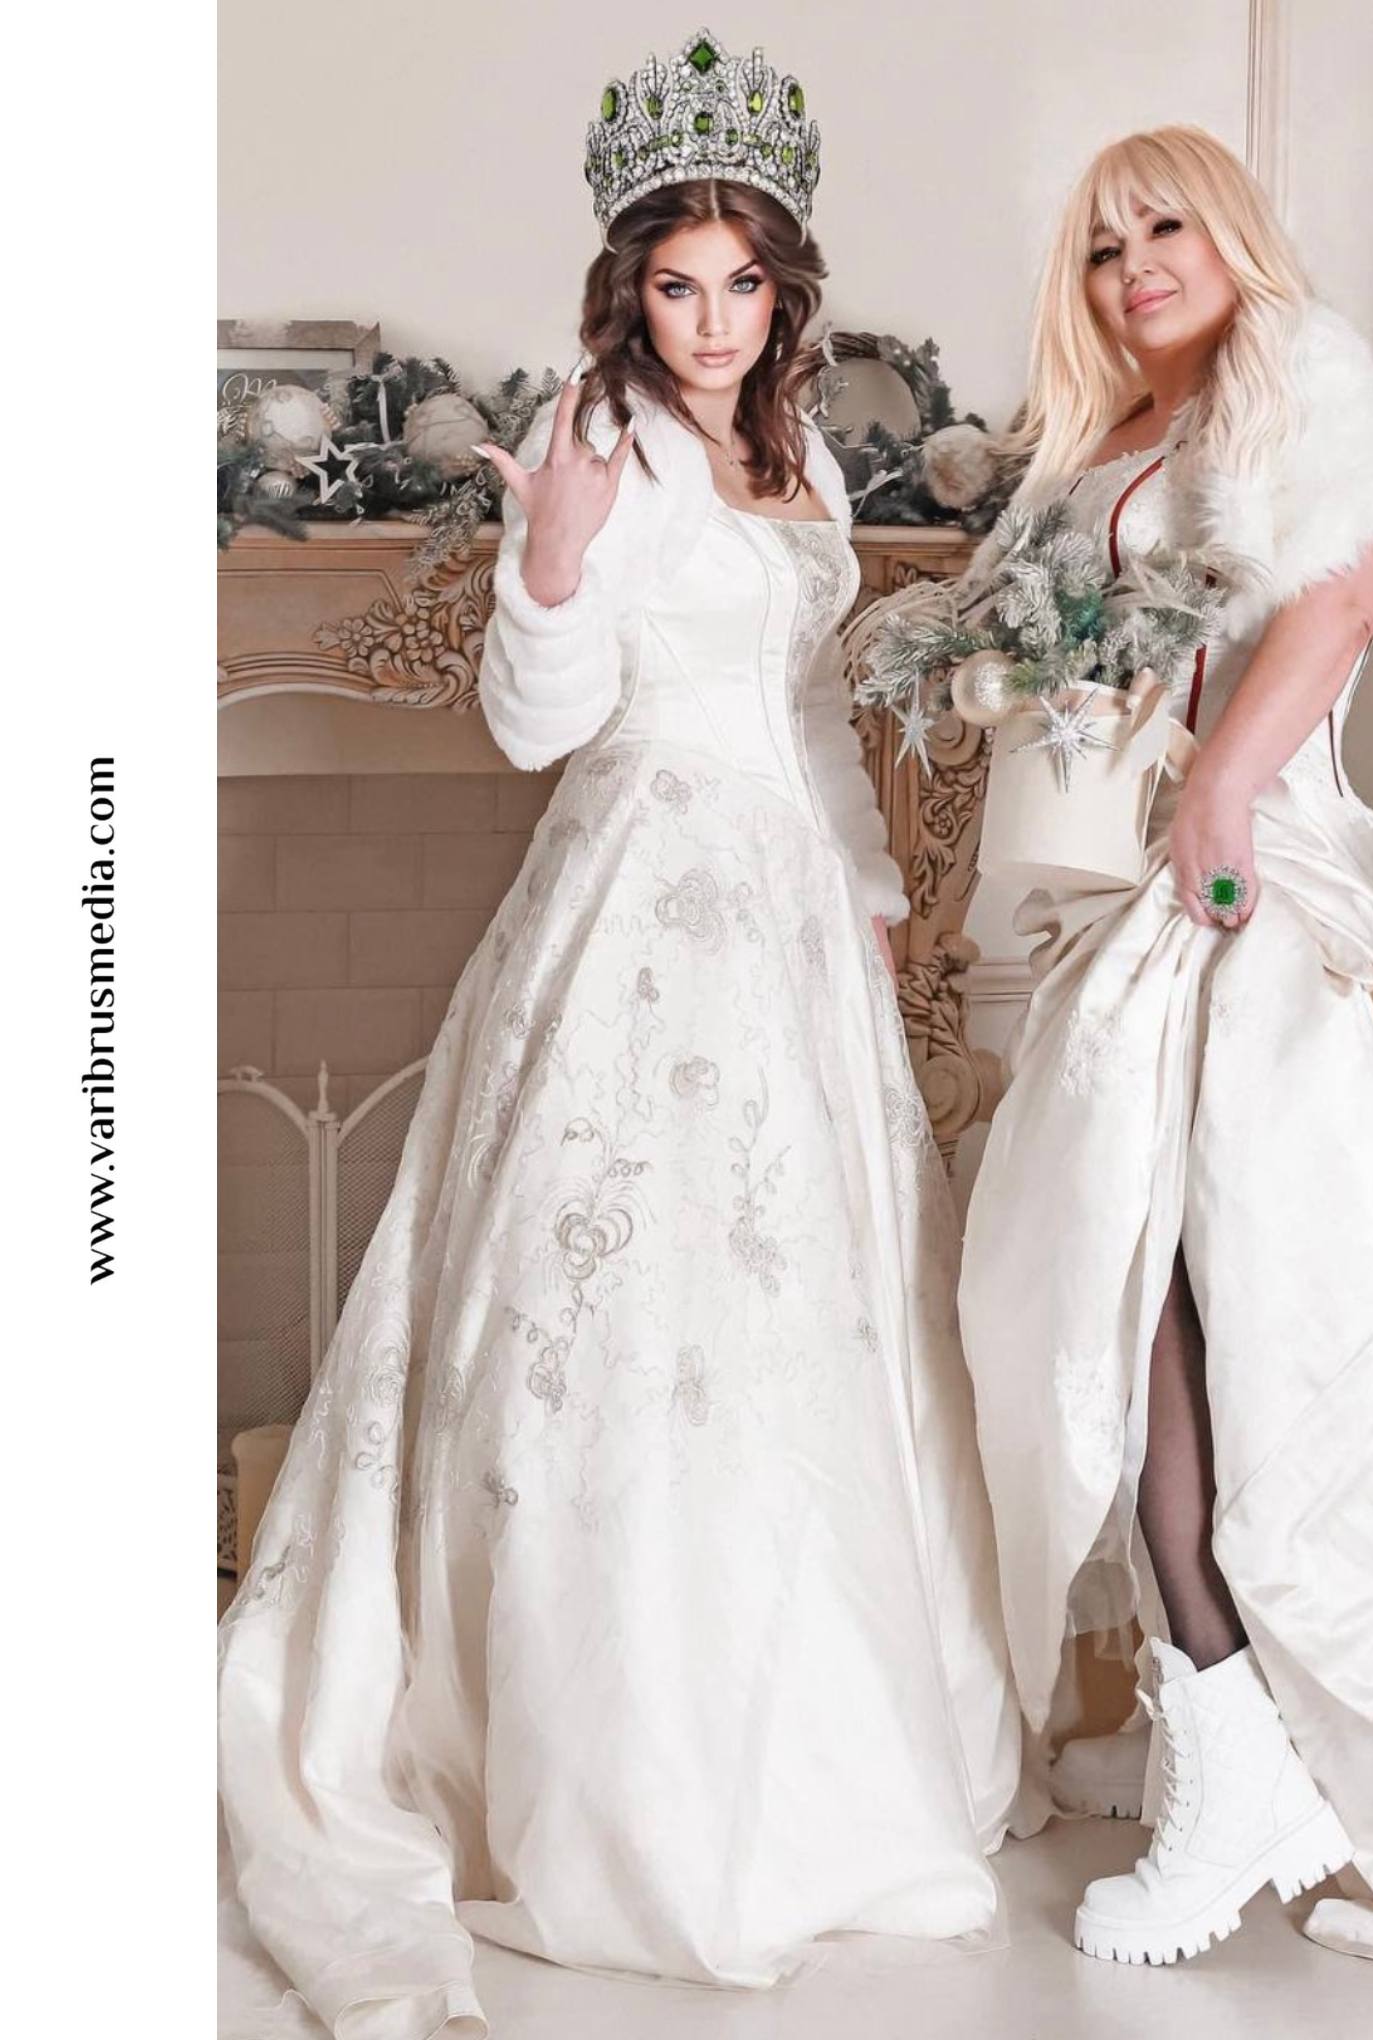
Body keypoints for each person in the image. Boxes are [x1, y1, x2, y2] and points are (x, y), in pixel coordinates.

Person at [218, 32, 1022, 2038]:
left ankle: (822, 1762)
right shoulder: (596, 433)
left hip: (790, 924)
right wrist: (555, 557)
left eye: (743, 284)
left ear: (784, 290)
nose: (714, 322)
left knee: (795, 1313)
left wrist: (871, 897)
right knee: (628, 1308)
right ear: (629, 290)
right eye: (678, 284)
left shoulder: (802, 455)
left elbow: (816, 715)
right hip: (637, 895)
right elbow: (534, 723)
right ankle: (617, 1778)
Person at [957, 125, 1373, 1972]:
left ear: (1232, 233)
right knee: (1124, 1323)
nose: (1136, 271)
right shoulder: (1100, 439)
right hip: (1133, 906)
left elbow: (1339, 603)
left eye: (1164, 228)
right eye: (1103, 250)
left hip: (1256, 894)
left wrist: (1216, 795)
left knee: (1274, 1332)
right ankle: (1223, 1727)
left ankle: (1279, 1766)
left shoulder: (1297, 373)